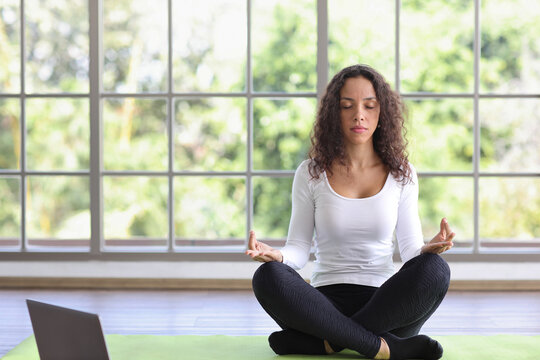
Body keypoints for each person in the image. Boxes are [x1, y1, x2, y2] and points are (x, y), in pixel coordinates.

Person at [245, 64, 455, 360]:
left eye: (369, 106)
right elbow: (299, 249)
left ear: (382, 113)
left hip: (386, 305)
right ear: (335, 113)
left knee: (436, 269)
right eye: (348, 106)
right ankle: (380, 348)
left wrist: (427, 249)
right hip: (321, 305)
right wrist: (277, 256)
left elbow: (409, 251)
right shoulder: (311, 173)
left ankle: (328, 343)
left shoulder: (402, 174)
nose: (359, 115)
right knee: (267, 276)